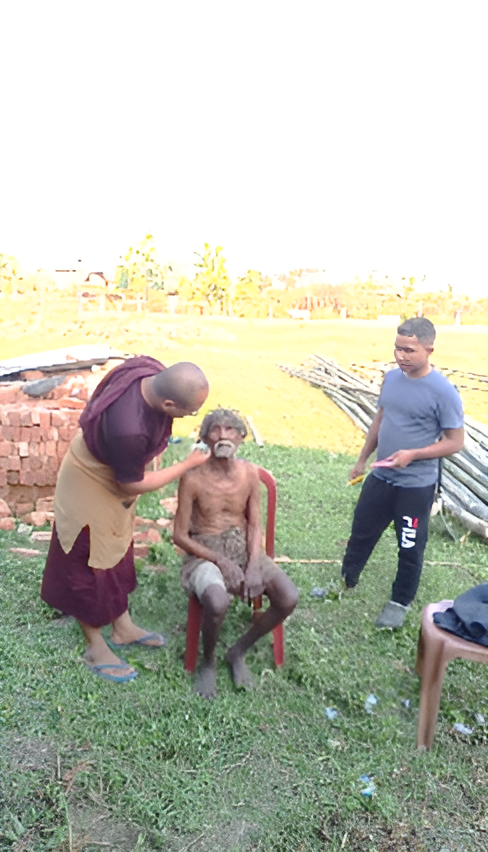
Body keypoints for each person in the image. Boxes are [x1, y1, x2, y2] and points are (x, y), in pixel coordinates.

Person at [41, 356, 209, 682]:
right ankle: (95, 646)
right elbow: (130, 484)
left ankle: (123, 627)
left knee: (117, 550)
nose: (190, 417)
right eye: (189, 412)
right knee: (88, 562)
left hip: (111, 470)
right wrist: (186, 465)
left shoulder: (145, 368)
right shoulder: (127, 430)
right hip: (90, 480)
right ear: (168, 404)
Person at [341, 317, 464, 629]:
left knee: (410, 546)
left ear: (429, 349)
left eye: (409, 350)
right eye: (397, 348)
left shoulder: (443, 391)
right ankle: (346, 580)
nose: (401, 356)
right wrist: (362, 459)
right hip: (381, 476)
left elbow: (455, 442)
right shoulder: (391, 379)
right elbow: (380, 419)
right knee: (361, 532)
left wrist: (414, 454)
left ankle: (399, 602)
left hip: (415, 486)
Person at [173, 409, 299, 698]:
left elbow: (254, 523)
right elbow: (180, 536)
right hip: (204, 551)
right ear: (204, 438)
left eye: (230, 429)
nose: (223, 435)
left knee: (288, 597)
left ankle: (238, 651)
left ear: (242, 437)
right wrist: (220, 561)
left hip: (242, 546)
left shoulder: (249, 473)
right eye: (215, 429)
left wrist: (254, 564)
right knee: (217, 602)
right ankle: (208, 663)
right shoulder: (192, 479)